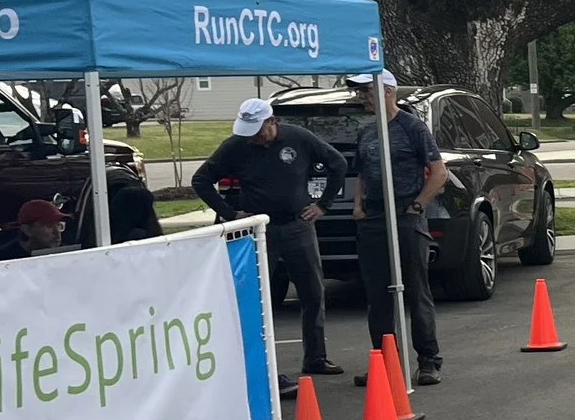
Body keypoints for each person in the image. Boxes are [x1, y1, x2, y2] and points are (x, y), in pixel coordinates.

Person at [191, 97, 347, 376]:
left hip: (298, 224)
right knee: (256, 296)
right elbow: (201, 179)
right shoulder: (236, 146)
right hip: (258, 229)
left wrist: (323, 204)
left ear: (272, 122)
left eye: (257, 131)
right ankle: (256, 363)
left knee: (312, 292)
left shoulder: (298, 138)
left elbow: (337, 163)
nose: (252, 138)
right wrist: (229, 213)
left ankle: (315, 357)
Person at [350, 70, 446, 385]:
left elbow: (438, 172)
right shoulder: (366, 132)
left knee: (416, 288)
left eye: (366, 91)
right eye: (360, 92)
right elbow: (363, 172)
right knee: (377, 293)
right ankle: (384, 360)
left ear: (387, 91)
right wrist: (359, 205)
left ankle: (428, 359)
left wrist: (418, 204)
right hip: (374, 217)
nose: (361, 97)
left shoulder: (411, 127)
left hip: (405, 212)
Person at [0, 197, 69, 263]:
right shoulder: (4, 259)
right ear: (27, 230)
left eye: (59, 225)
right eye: (48, 226)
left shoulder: (68, 254)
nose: (57, 232)